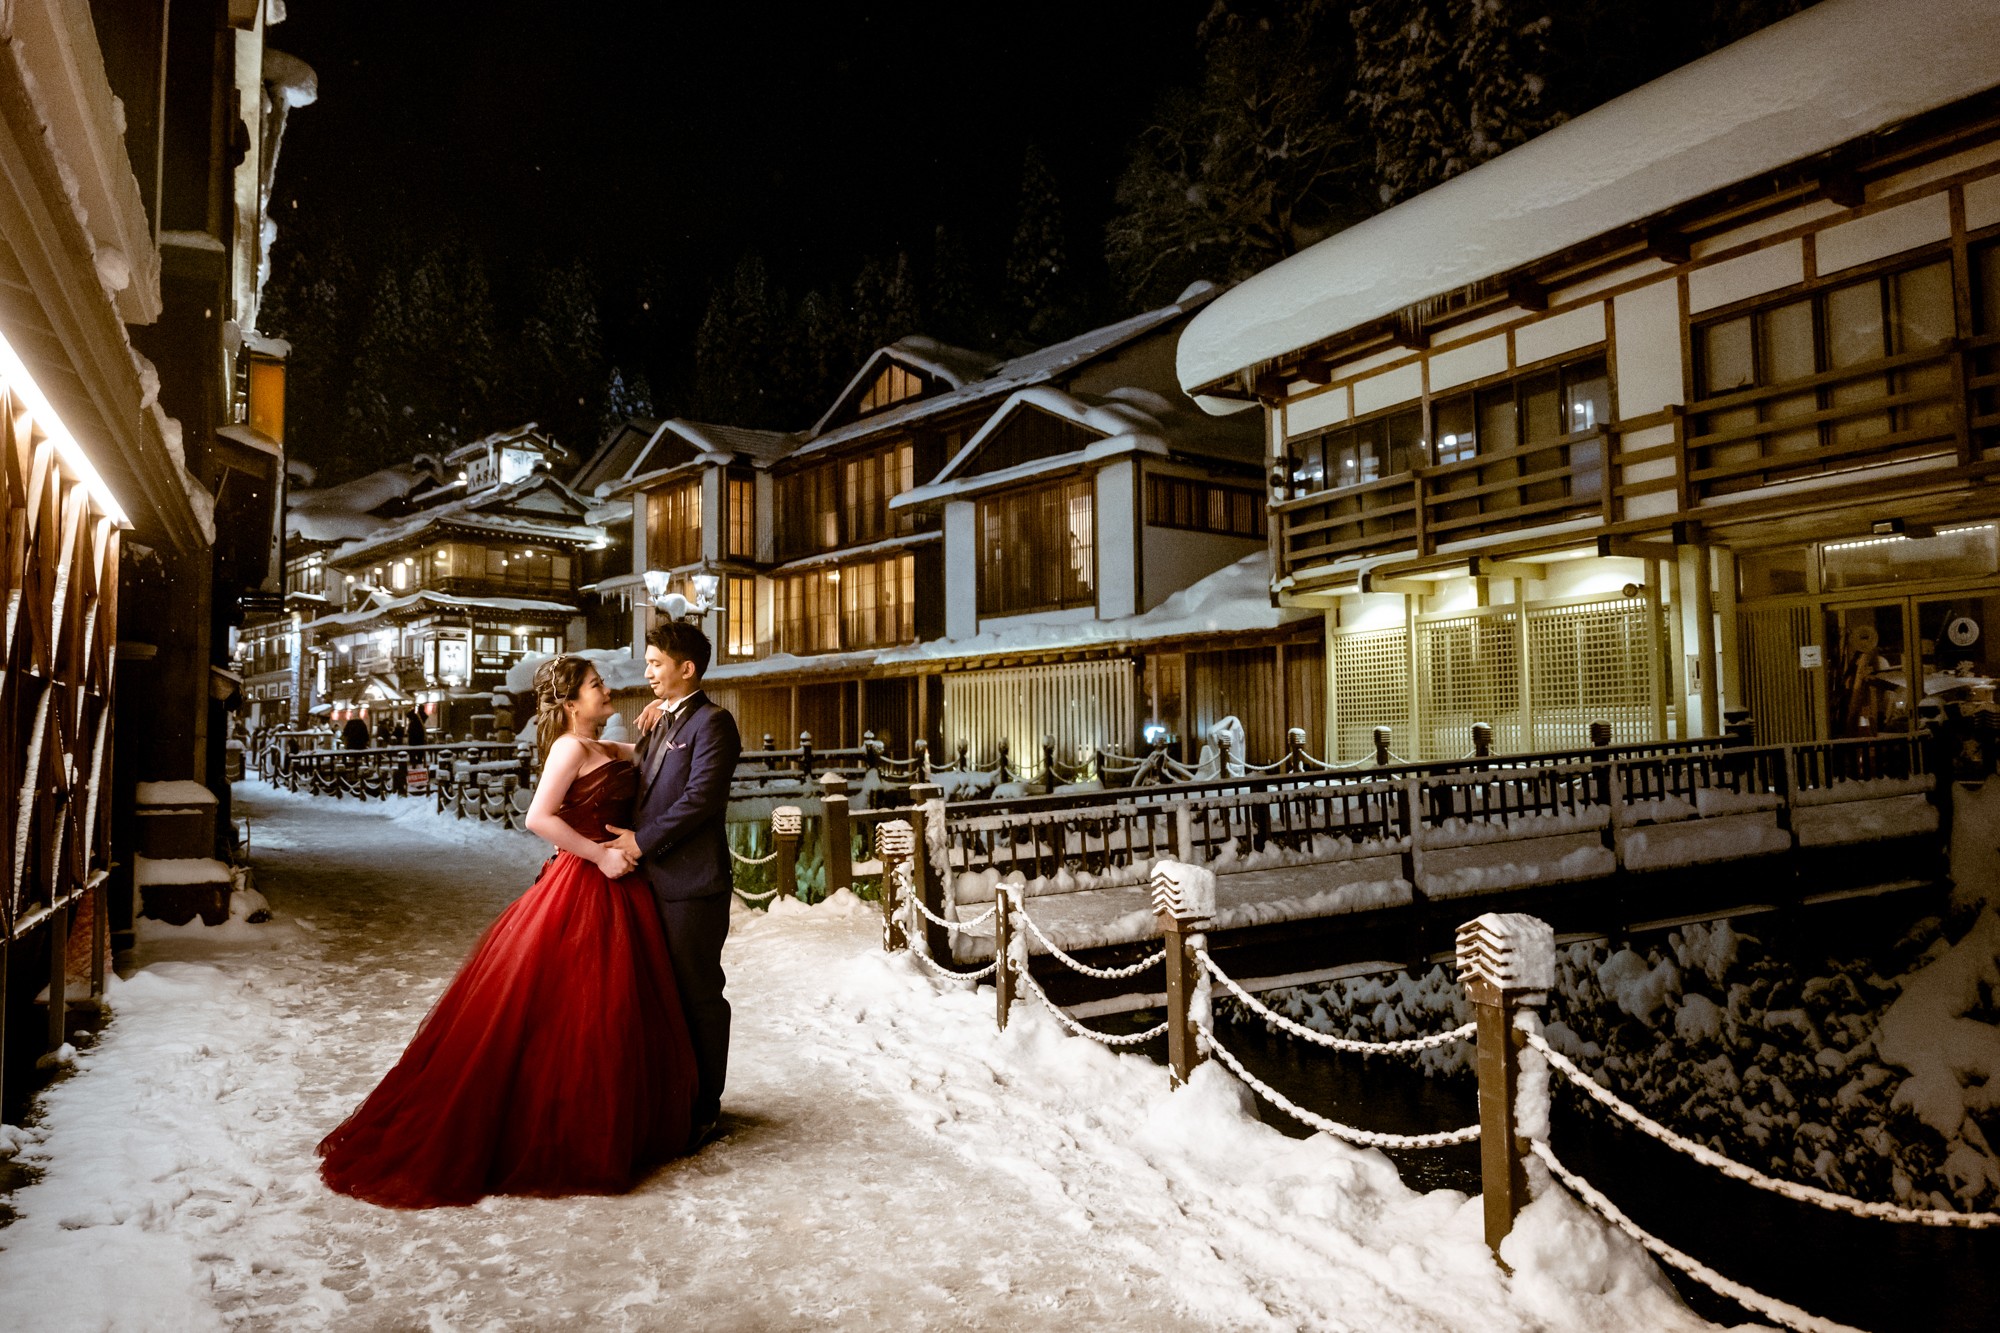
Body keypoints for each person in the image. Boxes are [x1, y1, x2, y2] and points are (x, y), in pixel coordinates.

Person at [317, 656, 698, 1208]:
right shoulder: (570, 748)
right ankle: (570, 1129)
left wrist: (665, 715)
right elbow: (539, 818)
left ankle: (617, 1121)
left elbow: (656, 770)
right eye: (596, 686)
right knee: (579, 1009)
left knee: (618, 1009)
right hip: (589, 879)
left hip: (624, 884)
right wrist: (599, 855)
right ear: (571, 703)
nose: (606, 689)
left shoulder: (611, 747)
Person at [607, 621, 741, 1150]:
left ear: (686, 669)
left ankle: (706, 1106)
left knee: (700, 996)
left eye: (656, 662)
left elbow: (700, 800)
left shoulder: (715, 723)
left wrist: (640, 843)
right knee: (659, 996)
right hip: (649, 884)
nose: (647, 671)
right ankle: (674, 1098)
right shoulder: (658, 721)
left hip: (691, 884)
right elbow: (642, 779)